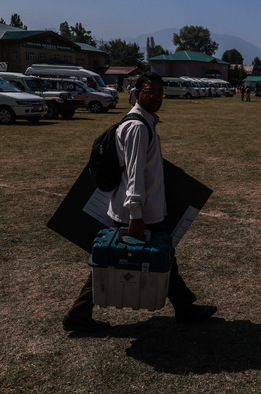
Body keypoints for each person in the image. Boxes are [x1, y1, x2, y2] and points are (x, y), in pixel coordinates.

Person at [63, 72, 217, 332]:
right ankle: (184, 308)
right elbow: (134, 175)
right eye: (150, 90)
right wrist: (136, 216)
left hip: (143, 210)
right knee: (116, 261)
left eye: (160, 91)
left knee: (146, 259)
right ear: (136, 92)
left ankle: (183, 307)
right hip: (138, 213)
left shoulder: (145, 122)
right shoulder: (137, 127)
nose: (156, 96)